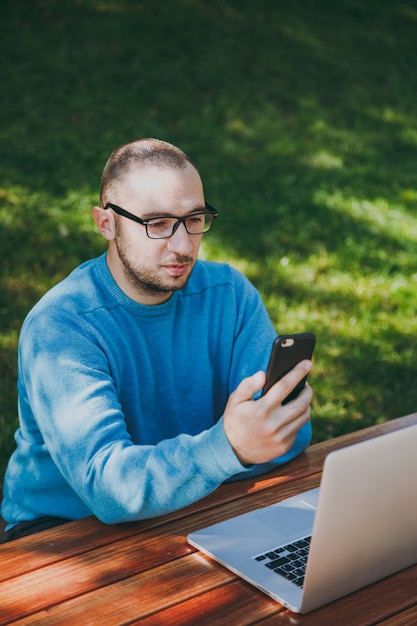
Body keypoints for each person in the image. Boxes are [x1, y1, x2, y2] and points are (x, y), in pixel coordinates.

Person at [1, 138, 313, 542]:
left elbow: (284, 435)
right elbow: (109, 489)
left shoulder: (229, 294)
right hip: (66, 532)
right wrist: (229, 448)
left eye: (195, 219)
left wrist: (234, 450)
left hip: (196, 504)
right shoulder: (62, 326)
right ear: (106, 224)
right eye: (157, 224)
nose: (183, 246)